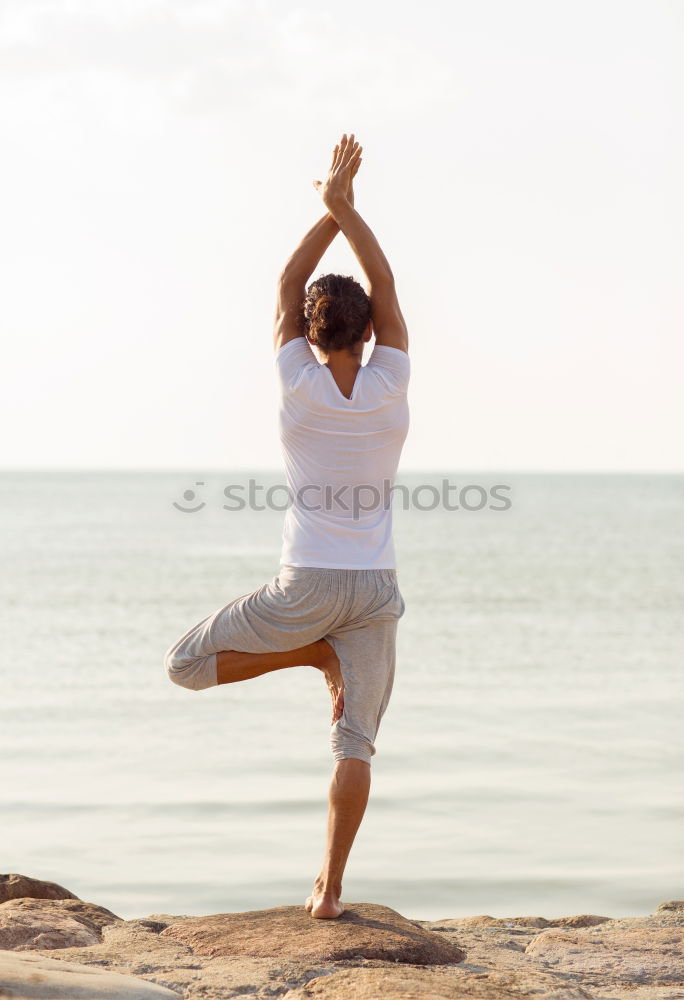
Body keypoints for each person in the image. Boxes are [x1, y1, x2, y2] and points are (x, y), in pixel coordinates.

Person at [164, 133, 410, 920]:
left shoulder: (295, 380)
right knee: (356, 744)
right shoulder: (392, 380)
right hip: (374, 590)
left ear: (309, 333)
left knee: (184, 665)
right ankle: (329, 891)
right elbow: (386, 281)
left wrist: (326, 213)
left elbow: (287, 283)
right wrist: (347, 210)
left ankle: (311, 655)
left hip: (305, 585)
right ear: (368, 335)